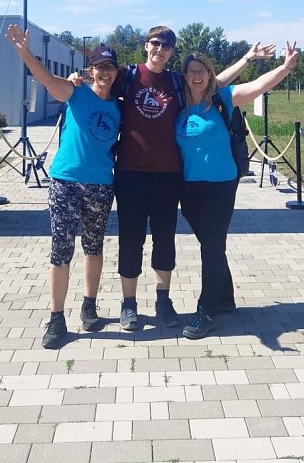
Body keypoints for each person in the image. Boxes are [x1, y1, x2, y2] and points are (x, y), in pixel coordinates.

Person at [110, 26, 275, 332]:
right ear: (146, 46)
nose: (161, 49)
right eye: (156, 43)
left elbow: (215, 81)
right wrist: (75, 81)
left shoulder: (175, 80)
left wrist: (247, 59)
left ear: (172, 51)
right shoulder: (128, 75)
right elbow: (99, 82)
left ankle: (167, 300)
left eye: (167, 45)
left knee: (169, 240)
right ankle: (129, 304)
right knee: (132, 238)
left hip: (170, 176)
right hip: (132, 172)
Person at [6, 24, 121, 348]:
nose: (104, 72)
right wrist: (25, 52)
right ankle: (56, 318)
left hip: (100, 186)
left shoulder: (119, 107)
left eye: (109, 68)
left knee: (94, 247)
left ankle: (89, 306)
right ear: (90, 70)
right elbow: (45, 78)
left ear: (115, 73)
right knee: (61, 250)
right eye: (99, 67)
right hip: (66, 183)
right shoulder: (74, 93)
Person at [175, 42, 299, 339]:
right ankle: (226, 298)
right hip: (188, 188)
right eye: (191, 71)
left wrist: (285, 68)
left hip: (221, 185)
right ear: (183, 76)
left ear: (209, 74)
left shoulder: (224, 99)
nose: (196, 76)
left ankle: (206, 309)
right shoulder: (178, 104)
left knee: (212, 245)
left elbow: (256, 86)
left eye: (202, 71)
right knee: (210, 242)